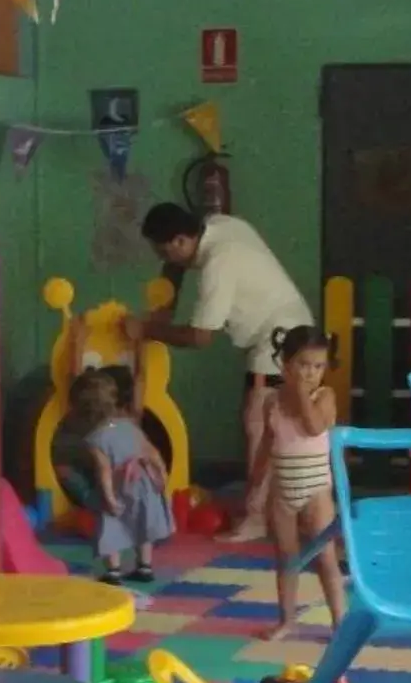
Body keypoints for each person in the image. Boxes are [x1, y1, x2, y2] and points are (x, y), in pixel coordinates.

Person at [132, 203, 316, 543]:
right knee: (264, 423)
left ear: (181, 241)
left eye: (164, 250)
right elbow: (173, 267)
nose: (165, 259)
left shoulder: (219, 264)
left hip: (279, 337)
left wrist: (147, 329)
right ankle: (273, 508)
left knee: (261, 425)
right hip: (284, 328)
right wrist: (164, 310)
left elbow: (201, 337)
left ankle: (261, 516)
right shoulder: (218, 224)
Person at [264, 326, 345, 638]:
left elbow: (313, 428)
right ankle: (286, 620)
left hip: (316, 491)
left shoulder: (324, 396)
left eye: (318, 366)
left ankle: (340, 621)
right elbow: (266, 444)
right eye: (302, 365)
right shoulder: (272, 401)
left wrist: (300, 392)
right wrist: (257, 483)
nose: (310, 373)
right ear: (285, 364)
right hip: (282, 490)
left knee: (325, 557)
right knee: (286, 556)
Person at [72, 366, 174, 583]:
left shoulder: (95, 439)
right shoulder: (129, 426)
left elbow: (104, 470)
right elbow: (152, 452)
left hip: (119, 486)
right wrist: (162, 477)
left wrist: (108, 498)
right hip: (144, 484)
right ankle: (145, 567)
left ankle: (113, 571)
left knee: (110, 524)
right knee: (142, 524)